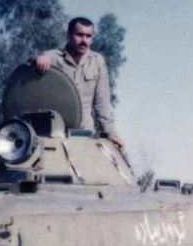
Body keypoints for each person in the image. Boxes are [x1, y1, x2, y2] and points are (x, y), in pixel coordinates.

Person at [30, 17, 125, 150]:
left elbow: (102, 104)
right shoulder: (53, 58)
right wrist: (37, 60)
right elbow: (28, 73)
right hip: (54, 135)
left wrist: (111, 134)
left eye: (88, 36)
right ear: (68, 35)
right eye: (79, 35)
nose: (84, 40)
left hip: (84, 134)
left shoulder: (97, 62)